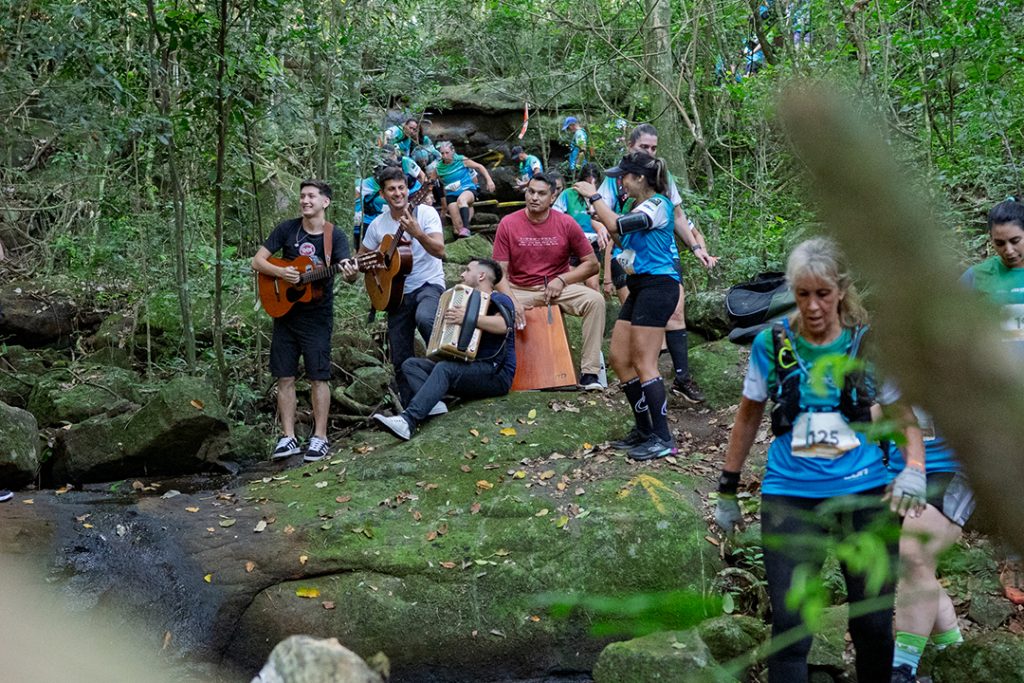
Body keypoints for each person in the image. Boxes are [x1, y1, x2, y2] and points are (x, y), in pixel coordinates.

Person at [712, 237, 926, 683]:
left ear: (841, 290)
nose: (812, 306)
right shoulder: (771, 345)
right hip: (790, 494)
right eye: (802, 294)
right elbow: (748, 418)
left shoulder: (867, 347)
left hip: (864, 492)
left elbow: (901, 416)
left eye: (822, 294)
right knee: (791, 628)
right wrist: (728, 489)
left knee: (871, 621)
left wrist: (913, 471)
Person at [597, 123, 717, 403]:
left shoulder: (661, 179)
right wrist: (606, 265)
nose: (650, 152)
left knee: (675, 313)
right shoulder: (617, 178)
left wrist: (696, 246)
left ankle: (680, 377)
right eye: (644, 147)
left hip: (660, 259)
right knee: (635, 329)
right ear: (631, 146)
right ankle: (641, 384)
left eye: (654, 148)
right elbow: (603, 214)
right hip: (628, 254)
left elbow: (676, 215)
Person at [575, 152, 682, 459]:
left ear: (640, 179)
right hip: (640, 287)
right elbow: (626, 239)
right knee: (620, 358)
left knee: (644, 361)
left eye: (623, 176)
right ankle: (644, 429)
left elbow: (620, 226)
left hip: (659, 287)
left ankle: (663, 438)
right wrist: (603, 221)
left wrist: (594, 197)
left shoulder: (659, 204)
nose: (619, 181)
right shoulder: (636, 205)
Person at [251, 180, 359, 462]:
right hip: (285, 314)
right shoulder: (287, 228)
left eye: (311, 196)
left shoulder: (335, 236)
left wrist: (351, 273)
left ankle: (320, 437)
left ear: (326, 202)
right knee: (284, 375)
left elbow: (348, 270)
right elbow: (258, 261)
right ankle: (288, 437)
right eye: (302, 196)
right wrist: (280, 273)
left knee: (318, 376)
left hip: (317, 316)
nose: (305, 201)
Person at [960, 198, 1024, 605]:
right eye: (1000, 244)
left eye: (1016, 241)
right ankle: (1014, 559)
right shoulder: (976, 278)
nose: (1009, 251)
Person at [372, 259, 516, 440]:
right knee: (411, 365)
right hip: (472, 371)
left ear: (481, 276)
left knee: (444, 369)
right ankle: (435, 406)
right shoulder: (466, 300)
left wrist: (466, 318)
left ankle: (408, 421)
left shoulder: (500, 299)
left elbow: (504, 325)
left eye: (467, 269)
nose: (461, 274)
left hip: (496, 374)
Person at [492, 172, 605, 391]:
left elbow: (592, 264)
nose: (534, 197)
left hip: (557, 288)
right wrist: (513, 302)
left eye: (541, 194)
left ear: (553, 197)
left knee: (595, 301)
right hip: (520, 288)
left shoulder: (566, 223)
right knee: (495, 310)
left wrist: (562, 279)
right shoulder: (508, 223)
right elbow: (499, 273)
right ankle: (498, 373)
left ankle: (590, 373)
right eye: (530, 191)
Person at [359, 166, 447, 406]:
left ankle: (450, 374)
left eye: (401, 188)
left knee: (426, 318)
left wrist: (418, 233)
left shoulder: (426, 213)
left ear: (409, 190)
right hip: (395, 295)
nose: (398, 193)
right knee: (399, 355)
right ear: (383, 194)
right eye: (391, 189)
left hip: (429, 284)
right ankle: (413, 406)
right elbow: (362, 259)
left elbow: (440, 251)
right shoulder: (377, 225)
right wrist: (361, 267)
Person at [553, 162, 609, 292]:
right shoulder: (568, 194)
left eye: (595, 183)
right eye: (589, 183)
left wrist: (604, 231)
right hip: (572, 245)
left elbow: (609, 220)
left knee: (593, 285)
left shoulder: (602, 196)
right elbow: (555, 217)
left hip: (593, 244)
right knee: (567, 281)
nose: (592, 187)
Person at [431, 141, 495, 239]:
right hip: (451, 194)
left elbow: (479, 166)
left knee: (462, 200)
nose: (444, 155)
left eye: (447, 153)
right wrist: (429, 194)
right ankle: (463, 232)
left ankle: (467, 228)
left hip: (467, 189)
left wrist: (489, 180)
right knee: (457, 227)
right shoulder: (439, 167)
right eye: (442, 153)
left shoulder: (461, 160)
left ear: (453, 151)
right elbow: (431, 182)